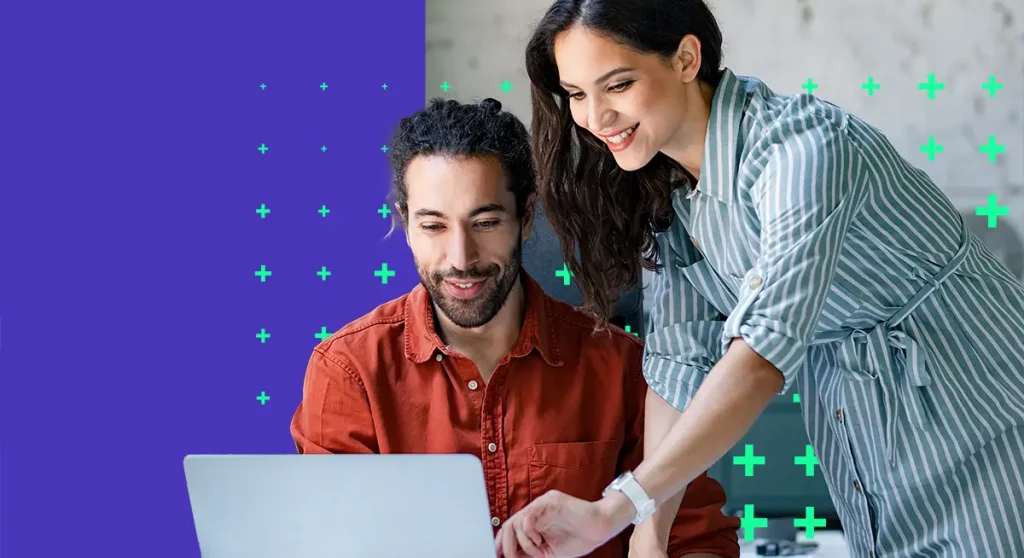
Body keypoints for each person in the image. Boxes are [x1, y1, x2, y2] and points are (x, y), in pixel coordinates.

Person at [494, 0, 1024, 557]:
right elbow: (679, 359)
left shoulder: (804, 151)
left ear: (686, 58)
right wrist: (647, 538)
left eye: (618, 85)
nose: (597, 118)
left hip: (976, 404)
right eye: (577, 94)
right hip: (862, 433)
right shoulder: (666, 187)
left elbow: (762, 353)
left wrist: (614, 508)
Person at [289, 97, 742, 558]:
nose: (461, 258)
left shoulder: (622, 367)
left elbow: (701, 540)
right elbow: (326, 543)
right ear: (405, 224)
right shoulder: (349, 371)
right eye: (433, 226)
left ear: (526, 218)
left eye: (485, 222)